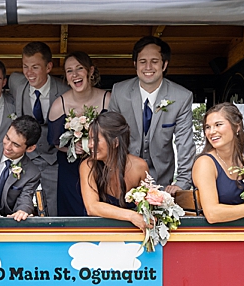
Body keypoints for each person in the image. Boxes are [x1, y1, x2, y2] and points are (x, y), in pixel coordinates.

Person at [107, 36, 194, 195]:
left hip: (162, 180)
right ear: (135, 64)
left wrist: (182, 182)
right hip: (123, 177)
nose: (148, 67)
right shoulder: (119, 92)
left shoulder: (182, 97)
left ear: (164, 64)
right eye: (142, 61)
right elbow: (110, 136)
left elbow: (185, 143)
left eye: (154, 61)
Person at [45, 52, 111, 216]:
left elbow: (117, 134)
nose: (75, 75)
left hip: (103, 169)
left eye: (79, 68)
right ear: (66, 77)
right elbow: (54, 143)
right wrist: (72, 149)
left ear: (90, 71)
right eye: (69, 71)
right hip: (70, 171)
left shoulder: (107, 100)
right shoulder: (58, 105)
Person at [8, 41, 69, 216]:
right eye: (25, 66)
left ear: (48, 67)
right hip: (27, 158)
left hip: (54, 159)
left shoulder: (64, 90)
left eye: (35, 67)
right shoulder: (17, 84)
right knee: (23, 204)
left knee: (54, 206)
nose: (29, 73)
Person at [78, 111, 149, 232]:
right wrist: (131, 216)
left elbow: (148, 207)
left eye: (95, 140)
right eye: (89, 139)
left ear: (115, 142)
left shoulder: (140, 167)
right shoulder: (88, 166)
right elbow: (92, 207)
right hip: (98, 232)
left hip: (133, 233)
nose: (90, 145)